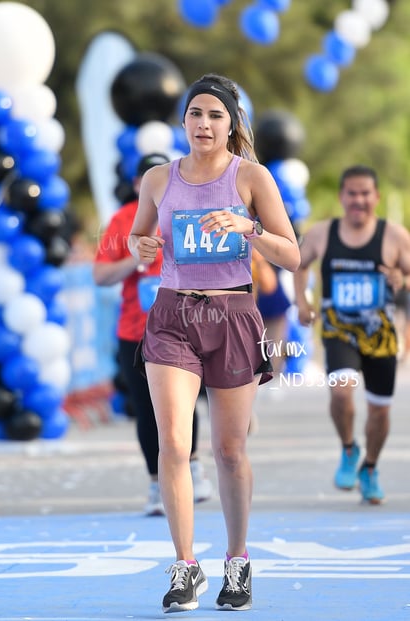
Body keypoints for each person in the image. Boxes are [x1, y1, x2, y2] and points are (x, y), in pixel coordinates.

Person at [128, 73, 300, 613]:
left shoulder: (252, 178)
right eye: (195, 113)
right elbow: (138, 239)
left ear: (231, 124)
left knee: (229, 450)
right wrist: (142, 243)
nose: (204, 124)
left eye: (215, 115)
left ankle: (237, 561)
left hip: (233, 313)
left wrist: (248, 228)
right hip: (174, 313)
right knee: (175, 444)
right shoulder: (158, 179)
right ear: (182, 121)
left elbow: (291, 255)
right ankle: (185, 567)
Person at [93, 152, 212, 516]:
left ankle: (190, 463)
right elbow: (100, 276)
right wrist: (136, 256)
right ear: (136, 186)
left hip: (183, 327)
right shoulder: (122, 220)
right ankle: (154, 483)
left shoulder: (190, 213)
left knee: (184, 403)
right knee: (146, 409)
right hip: (136, 330)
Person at [293, 164, 410, 505]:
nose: (358, 200)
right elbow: (298, 264)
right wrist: (303, 303)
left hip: (381, 335)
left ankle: (369, 468)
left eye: (365, 194)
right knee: (341, 393)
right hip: (338, 330)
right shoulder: (322, 233)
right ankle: (348, 448)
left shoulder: (394, 236)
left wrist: (402, 281)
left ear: (376, 197)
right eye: (352, 193)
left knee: (379, 412)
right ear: (342, 196)